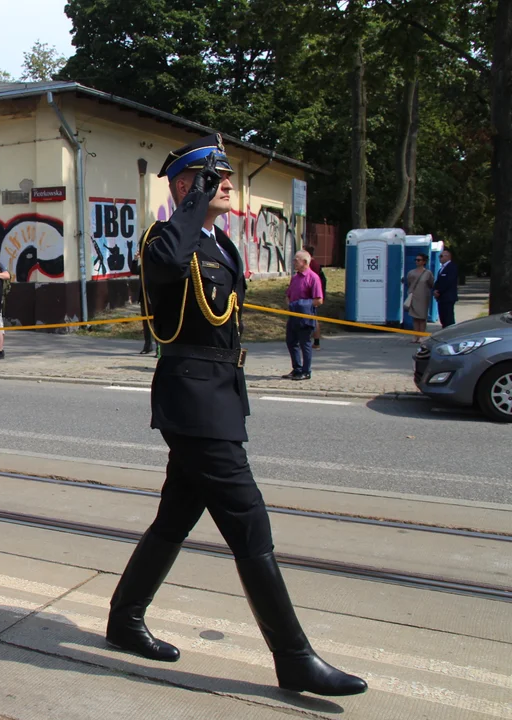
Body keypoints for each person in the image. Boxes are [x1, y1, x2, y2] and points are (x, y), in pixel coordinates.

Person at [107, 136, 366, 697]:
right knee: (250, 524)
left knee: (175, 518)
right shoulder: (166, 237)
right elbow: (167, 264)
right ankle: (294, 658)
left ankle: (123, 620)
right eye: (213, 176)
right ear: (186, 185)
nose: (227, 183)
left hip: (219, 394)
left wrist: (200, 207)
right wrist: (192, 202)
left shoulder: (217, 241)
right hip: (192, 400)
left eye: (224, 176)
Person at [282, 250, 323, 380]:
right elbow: (288, 295)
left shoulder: (313, 278)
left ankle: (306, 371)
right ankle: (297, 368)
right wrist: (290, 304)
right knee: (291, 341)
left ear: (304, 262)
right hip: (293, 315)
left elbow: (319, 300)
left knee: (304, 343)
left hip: (305, 317)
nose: (294, 262)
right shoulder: (295, 278)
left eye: (296, 260)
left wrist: (301, 304)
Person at [404, 253, 435, 342]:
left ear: (424, 262)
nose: (417, 261)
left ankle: (422, 335)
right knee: (415, 317)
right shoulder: (411, 273)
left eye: (419, 260)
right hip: (414, 296)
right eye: (416, 260)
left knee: (422, 317)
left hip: (423, 297)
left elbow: (431, 284)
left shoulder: (428, 273)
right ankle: (415, 335)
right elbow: (409, 283)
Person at [303, 245, 326, 349]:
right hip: (313, 295)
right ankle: (315, 341)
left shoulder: (312, 264)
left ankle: (315, 342)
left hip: (312, 296)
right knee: (313, 318)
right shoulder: (314, 263)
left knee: (313, 318)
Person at [433, 248, 458, 328]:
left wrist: (439, 291)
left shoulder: (451, 267)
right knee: (443, 318)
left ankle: (450, 334)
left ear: (447, 257)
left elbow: (448, 282)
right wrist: (435, 290)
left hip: (448, 297)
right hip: (441, 298)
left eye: (441, 256)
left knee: (448, 318)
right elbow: (438, 281)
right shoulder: (441, 269)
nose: (440, 258)